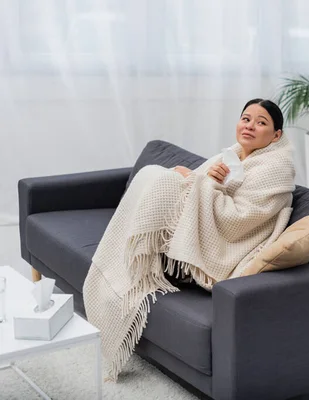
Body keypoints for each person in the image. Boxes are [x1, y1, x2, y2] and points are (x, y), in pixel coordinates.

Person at [83, 98, 296, 381]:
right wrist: (204, 180)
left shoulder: (276, 167)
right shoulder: (233, 154)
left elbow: (240, 219)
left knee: (166, 179)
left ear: (276, 135)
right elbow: (198, 183)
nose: (250, 126)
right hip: (199, 223)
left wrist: (204, 183)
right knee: (154, 174)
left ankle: (139, 262)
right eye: (246, 118)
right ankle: (131, 260)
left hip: (225, 246)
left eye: (261, 122)